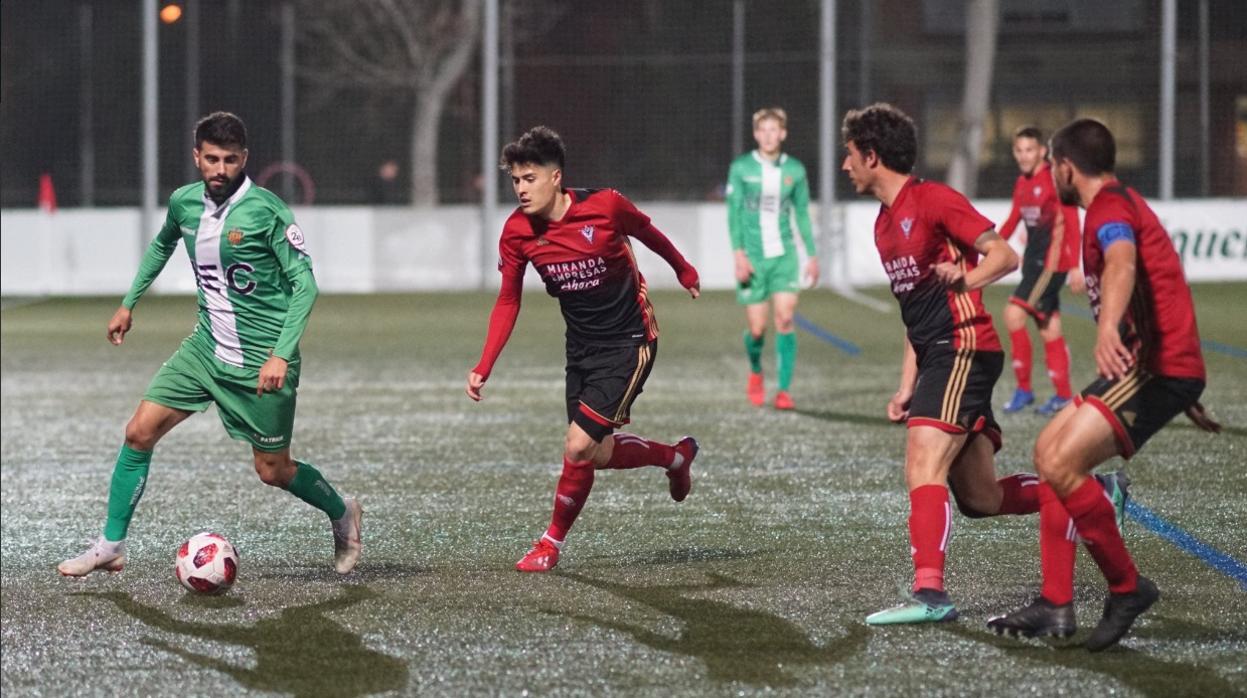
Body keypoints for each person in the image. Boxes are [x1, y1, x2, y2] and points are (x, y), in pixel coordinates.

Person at [839, 103, 1131, 625]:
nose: (845, 166)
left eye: (850, 155)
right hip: (938, 353)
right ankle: (1094, 493)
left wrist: (965, 279)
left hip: (964, 345)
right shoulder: (884, 226)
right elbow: (915, 313)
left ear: (872, 156)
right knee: (980, 497)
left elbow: (1004, 255)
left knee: (922, 463)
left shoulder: (932, 200)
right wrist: (907, 384)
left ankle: (931, 595)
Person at [58, 112, 362, 578]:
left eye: (231, 160)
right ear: (196, 156)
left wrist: (281, 353)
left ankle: (342, 512)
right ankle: (110, 545)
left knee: (272, 470)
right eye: (213, 159)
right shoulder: (184, 203)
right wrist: (128, 303)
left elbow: (306, 285)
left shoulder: (267, 210)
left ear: (245, 159)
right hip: (204, 350)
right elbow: (162, 245)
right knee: (139, 432)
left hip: (262, 361)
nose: (221, 169)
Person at [988, 118, 1218, 651]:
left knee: (1061, 463)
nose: (1050, 174)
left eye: (1052, 165)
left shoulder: (1110, 210)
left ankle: (1127, 587)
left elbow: (1121, 263)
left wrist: (1110, 326)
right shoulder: (1119, 203)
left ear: (1067, 167)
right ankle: (1055, 603)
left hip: (1152, 369)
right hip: (1159, 367)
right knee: (1049, 454)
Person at [466, 126, 702, 572]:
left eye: (529, 178)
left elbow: (649, 233)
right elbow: (509, 299)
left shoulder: (605, 206)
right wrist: (485, 363)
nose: (520, 189)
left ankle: (549, 544)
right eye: (515, 180)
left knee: (576, 447)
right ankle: (675, 457)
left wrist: (684, 269)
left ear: (556, 178)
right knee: (596, 453)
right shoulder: (517, 232)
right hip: (581, 347)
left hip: (631, 341)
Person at [726, 107, 819, 410]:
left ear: (783, 133)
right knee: (756, 329)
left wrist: (812, 255)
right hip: (753, 258)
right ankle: (755, 371)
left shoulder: (795, 170)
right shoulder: (741, 168)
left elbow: (802, 213)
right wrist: (739, 254)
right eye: (762, 130)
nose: (768, 135)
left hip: (785, 257)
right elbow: (734, 213)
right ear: (756, 134)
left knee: (786, 318)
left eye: (773, 130)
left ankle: (784, 390)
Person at [997, 126, 1084, 416]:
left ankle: (1024, 390)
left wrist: (1075, 266)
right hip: (1034, 263)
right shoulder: (1022, 182)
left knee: (1013, 313)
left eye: (1029, 150)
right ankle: (1062, 396)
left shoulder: (1054, 179)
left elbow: (1071, 221)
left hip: (1051, 265)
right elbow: (1012, 220)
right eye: (1019, 150)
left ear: (1042, 152)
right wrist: (988, 245)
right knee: (1049, 328)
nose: (1024, 156)